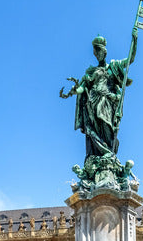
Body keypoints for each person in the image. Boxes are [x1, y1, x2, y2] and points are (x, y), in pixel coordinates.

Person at [59, 29, 138, 161]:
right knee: (94, 129)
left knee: (108, 128)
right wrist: (74, 91)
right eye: (95, 52)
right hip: (92, 103)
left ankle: (108, 152)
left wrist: (134, 40)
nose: (96, 54)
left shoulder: (114, 66)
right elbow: (82, 88)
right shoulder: (91, 71)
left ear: (104, 52)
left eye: (98, 51)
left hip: (107, 103)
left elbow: (130, 59)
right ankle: (101, 154)